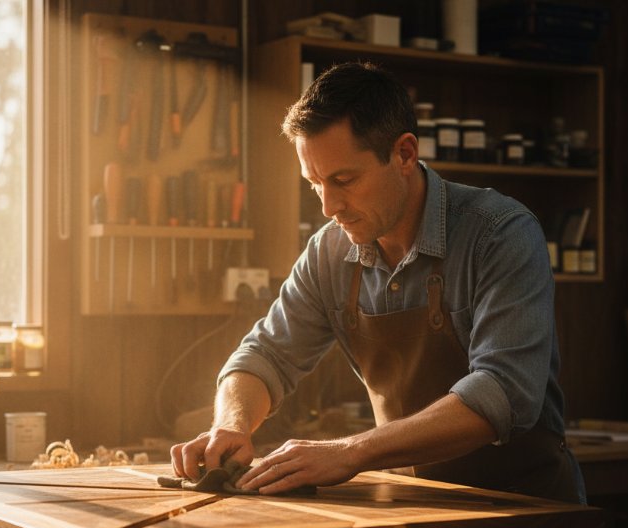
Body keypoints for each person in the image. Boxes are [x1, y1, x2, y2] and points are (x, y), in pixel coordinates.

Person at [170, 62, 585, 504]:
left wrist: (351, 452)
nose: (328, 206)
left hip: (524, 508)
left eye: (343, 180)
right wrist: (230, 424)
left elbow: (502, 392)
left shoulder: (500, 234)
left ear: (404, 154)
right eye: (315, 184)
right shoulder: (329, 252)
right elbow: (264, 356)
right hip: (410, 502)